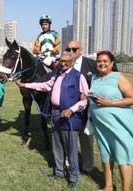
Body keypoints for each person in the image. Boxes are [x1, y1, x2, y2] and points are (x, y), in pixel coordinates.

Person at [16, 52, 89, 189]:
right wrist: (26, 85)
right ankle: (59, 172)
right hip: (55, 113)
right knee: (57, 145)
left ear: (73, 62)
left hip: (70, 116)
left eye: (67, 61)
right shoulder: (56, 75)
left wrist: (72, 110)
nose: (63, 63)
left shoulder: (79, 77)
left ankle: (73, 177)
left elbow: (84, 100)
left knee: (70, 147)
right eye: (61, 61)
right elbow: (44, 86)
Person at [89, 50, 133, 191]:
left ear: (112, 63)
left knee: (123, 156)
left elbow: (131, 98)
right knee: (105, 154)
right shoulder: (94, 78)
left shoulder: (118, 77)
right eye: (99, 61)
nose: (101, 64)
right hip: (101, 126)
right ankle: (108, 186)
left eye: (105, 61)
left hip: (119, 125)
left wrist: (110, 104)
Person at [66, 40, 97, 175]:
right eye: (69, 49)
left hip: (86, 110)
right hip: (68, 109)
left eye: (74, 49)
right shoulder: (64, 65)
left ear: (81, 50)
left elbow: (102, 82)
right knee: (69, 137)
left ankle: (88, 166)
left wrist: (89, 94)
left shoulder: (92, 64)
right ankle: (69, 163)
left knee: (86, 139)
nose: (71, 52)